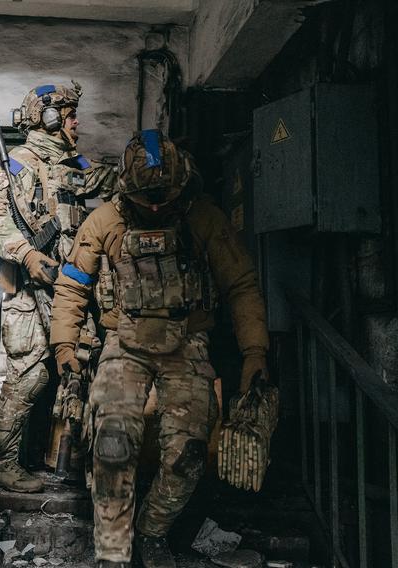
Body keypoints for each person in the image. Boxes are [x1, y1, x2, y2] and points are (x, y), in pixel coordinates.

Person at [49, 131, 270, 568]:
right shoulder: (105, 221)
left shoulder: (202, 218)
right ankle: (112, 550)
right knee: (111, 443)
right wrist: (64, 346)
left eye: (162, 198)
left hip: (187, 340)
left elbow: (241, 285)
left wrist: (255, 353)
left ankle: (151, 533)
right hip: (123, 341)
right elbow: (72, 286)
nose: (153, 207)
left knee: (188, 454)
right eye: (145, 198)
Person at [0, 81, 115, 493]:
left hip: (70, 288)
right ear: (51, 118)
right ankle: (1, 463)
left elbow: (110, 183)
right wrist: (26, 254)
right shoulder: (18, 164)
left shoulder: (73, 163)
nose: (77, 121)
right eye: (70, 114)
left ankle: (70, 464)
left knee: (78, 369)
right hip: (30, 291)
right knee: (28, 377)